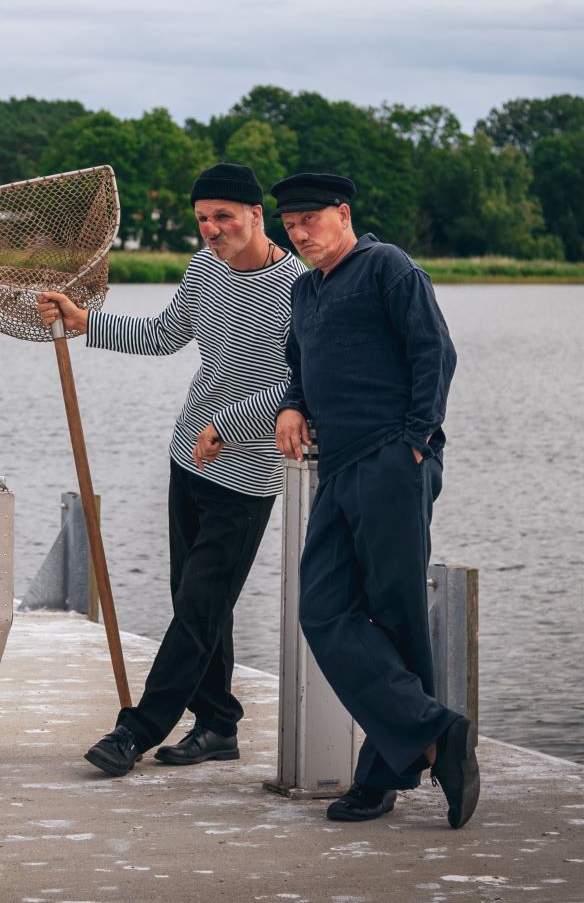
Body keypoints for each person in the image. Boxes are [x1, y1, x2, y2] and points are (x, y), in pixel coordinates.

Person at [37, 163, 304, 777]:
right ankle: (218, 724)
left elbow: (301, 386)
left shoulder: (299, 288)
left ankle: (136, 731)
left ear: (256, 215)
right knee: (199, 603)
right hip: (188, 460)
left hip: (248, 476)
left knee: (199, 607)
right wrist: (83, 321)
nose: (211, 229)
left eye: (224, 217)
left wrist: (229, 425)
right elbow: (164, 334)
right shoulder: (203, 268)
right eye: (203, 218)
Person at [269, 171, 478, 829]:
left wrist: (417, 441)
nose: (299, 234)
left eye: (310, 220)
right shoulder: (305, 290)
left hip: (391, 459)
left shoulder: (387, 266)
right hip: (338, 468)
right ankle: (436, 736)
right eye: (289, 225)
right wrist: (292, 404)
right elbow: (299, 366)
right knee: (322, 608)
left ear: (343, 213)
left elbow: (435, 352)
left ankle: (380, 776)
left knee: (395, 616)